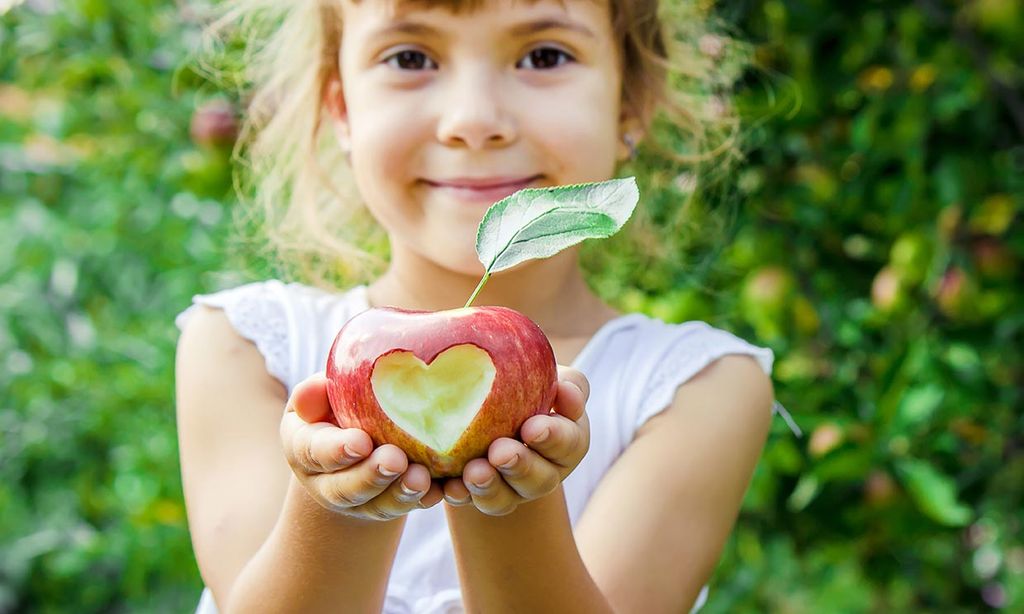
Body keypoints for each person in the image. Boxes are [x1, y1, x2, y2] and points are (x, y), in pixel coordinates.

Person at [175, 1, 797, 612]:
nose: (474, 120)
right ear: (342, 110)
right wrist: (338, 501)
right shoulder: (245, 346)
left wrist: (510, 499)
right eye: (410, 56)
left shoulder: (696, 386)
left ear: (629, 102)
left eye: (544, 55)